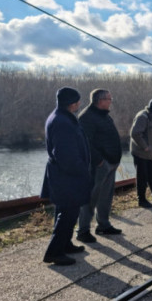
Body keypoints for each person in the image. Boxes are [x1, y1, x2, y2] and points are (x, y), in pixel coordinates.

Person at [41, 87, 93, 266]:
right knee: (68, 213)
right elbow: (66, 155)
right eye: (78, 101)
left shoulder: (61, 116)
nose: (80, 104)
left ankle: (65, 243)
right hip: (67, 176)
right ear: (72, 103)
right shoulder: (62, 122)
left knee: (66, 211)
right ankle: (54, 252)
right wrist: (82, 171)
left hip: (64, 175)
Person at [76, 89, 122, 244]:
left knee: (105, 197)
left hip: (110, 163)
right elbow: (85, 143)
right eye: (109, 99)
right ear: (100, 100)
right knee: (90, 198)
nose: (111, 101)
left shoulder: (104, 115)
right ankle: (83, 231)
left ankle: (103, 225)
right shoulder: (87, 117)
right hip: (99, 165)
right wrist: (100, 161)